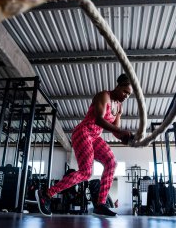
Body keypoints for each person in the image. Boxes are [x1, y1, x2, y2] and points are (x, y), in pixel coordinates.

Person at [35, 73, 133, 217]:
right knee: (86, 172)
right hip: (83, 132)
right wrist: (120, 131)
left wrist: (125, 138)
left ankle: (100, 204)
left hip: (95, 137)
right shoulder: (103, 96)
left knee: (111, 163)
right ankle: (46, 194)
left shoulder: (119, 107)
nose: (126, 96)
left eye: (129, 95)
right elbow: (99, 120)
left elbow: (115, 132)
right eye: (125, 91)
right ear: (118, 86)